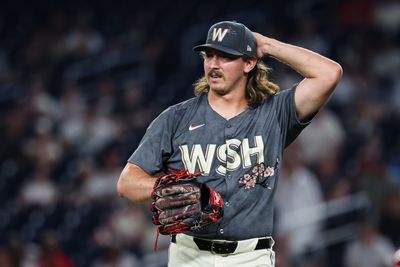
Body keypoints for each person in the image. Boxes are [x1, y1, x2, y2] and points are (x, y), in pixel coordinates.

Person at [117, 20, 342, 267]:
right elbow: (127, 182)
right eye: (209, 55)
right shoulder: (176, 118)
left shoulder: (274, 114)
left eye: (225, 57)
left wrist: (266, 45)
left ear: (249, 62)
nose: (213, 64)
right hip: (190, 256)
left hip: (250, 257)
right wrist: (167, 188)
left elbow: (329, 73)